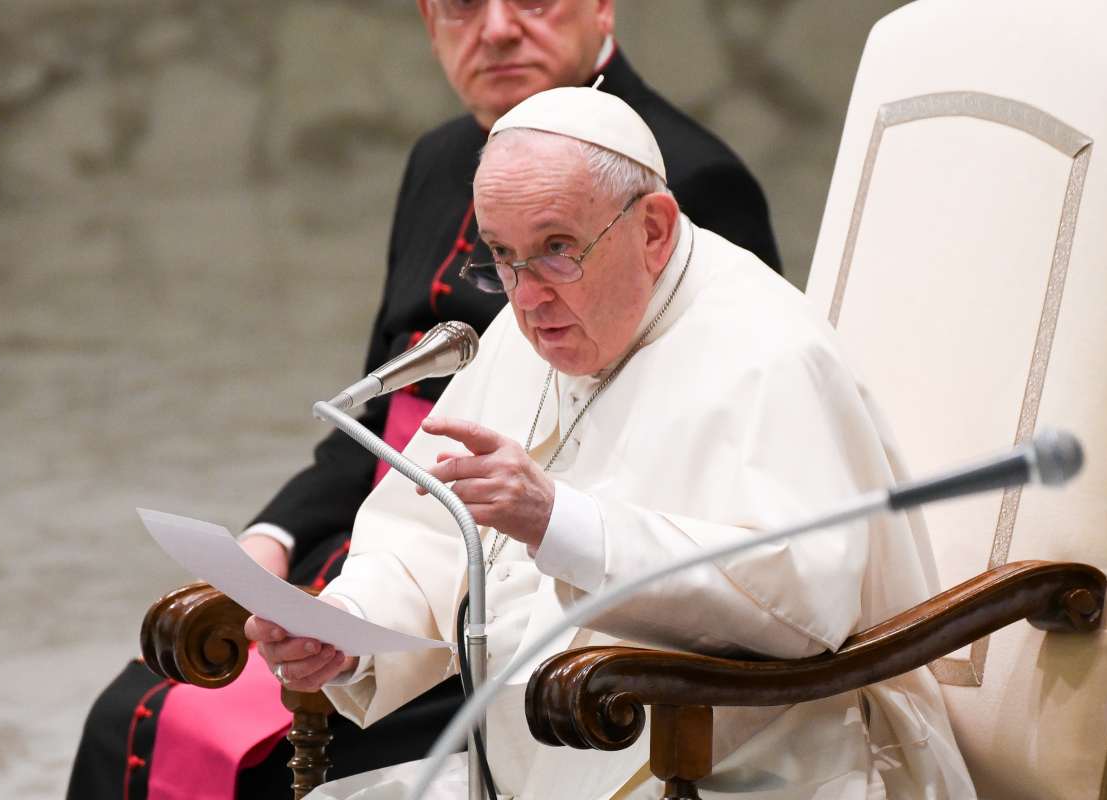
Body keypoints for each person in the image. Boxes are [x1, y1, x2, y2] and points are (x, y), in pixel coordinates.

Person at [67, 2, 781, 799]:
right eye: (464, 5)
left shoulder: (686, 177)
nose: (499, 28)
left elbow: (692, 464)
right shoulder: (440, 158)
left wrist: (540, 532)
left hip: (540, 596)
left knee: (255, 757)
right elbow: (379, 421)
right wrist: (274, 536)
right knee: (129, 715)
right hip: (403, 527)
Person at [249, 88, 976, 799]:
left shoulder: (769, 352)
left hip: (747, 765)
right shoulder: (530, 325)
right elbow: (434, 538)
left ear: (654, 230)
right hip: (539, 765)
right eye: (502, 256)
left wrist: (559, 521)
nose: (526, 297)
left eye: (558, 249)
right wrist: (349, 626)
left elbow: (800, 603)